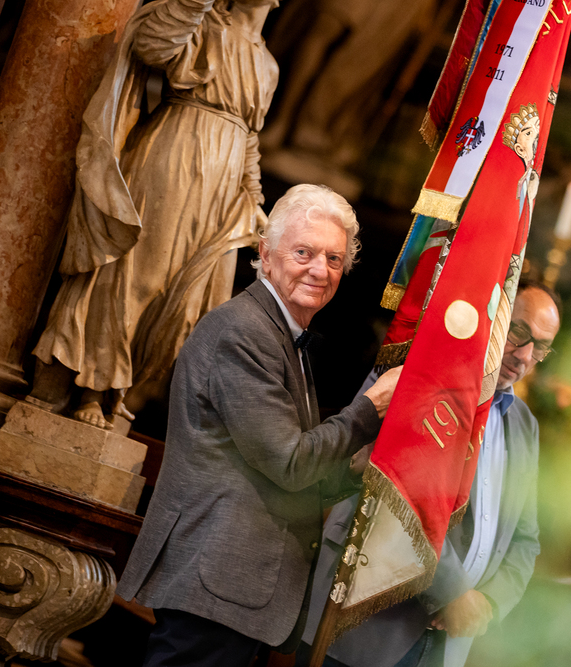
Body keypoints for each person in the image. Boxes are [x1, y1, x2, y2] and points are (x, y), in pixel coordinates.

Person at [116, 184, 402, 667]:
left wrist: (354, 469)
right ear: (266, 255)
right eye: (304, 253)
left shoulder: (284, 335)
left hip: (237, 592)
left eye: (334, 259)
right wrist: (368, 410)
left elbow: (294, 473)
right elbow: (290, 462)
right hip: (217, 584)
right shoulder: (243, 330)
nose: (320, 270)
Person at [32, 0, 280, 429]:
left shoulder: (268, 64)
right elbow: (152, 47)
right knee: (137, 278)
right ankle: (90, 387)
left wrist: (254, 196)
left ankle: (121, 390)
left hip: (224, 189)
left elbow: (250, 136)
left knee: (190, 302)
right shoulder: (203, 25)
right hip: (174, 158)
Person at [297, 280, 562, 667]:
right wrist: (454, 592)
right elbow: (394, 489)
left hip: (446, 641)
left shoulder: (525, 425)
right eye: (519, 331)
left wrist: (489, 603)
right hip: (365, 624)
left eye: (540, 347)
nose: (524, 354)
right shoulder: (425, 377)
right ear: (495, 315)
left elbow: (525, 538)